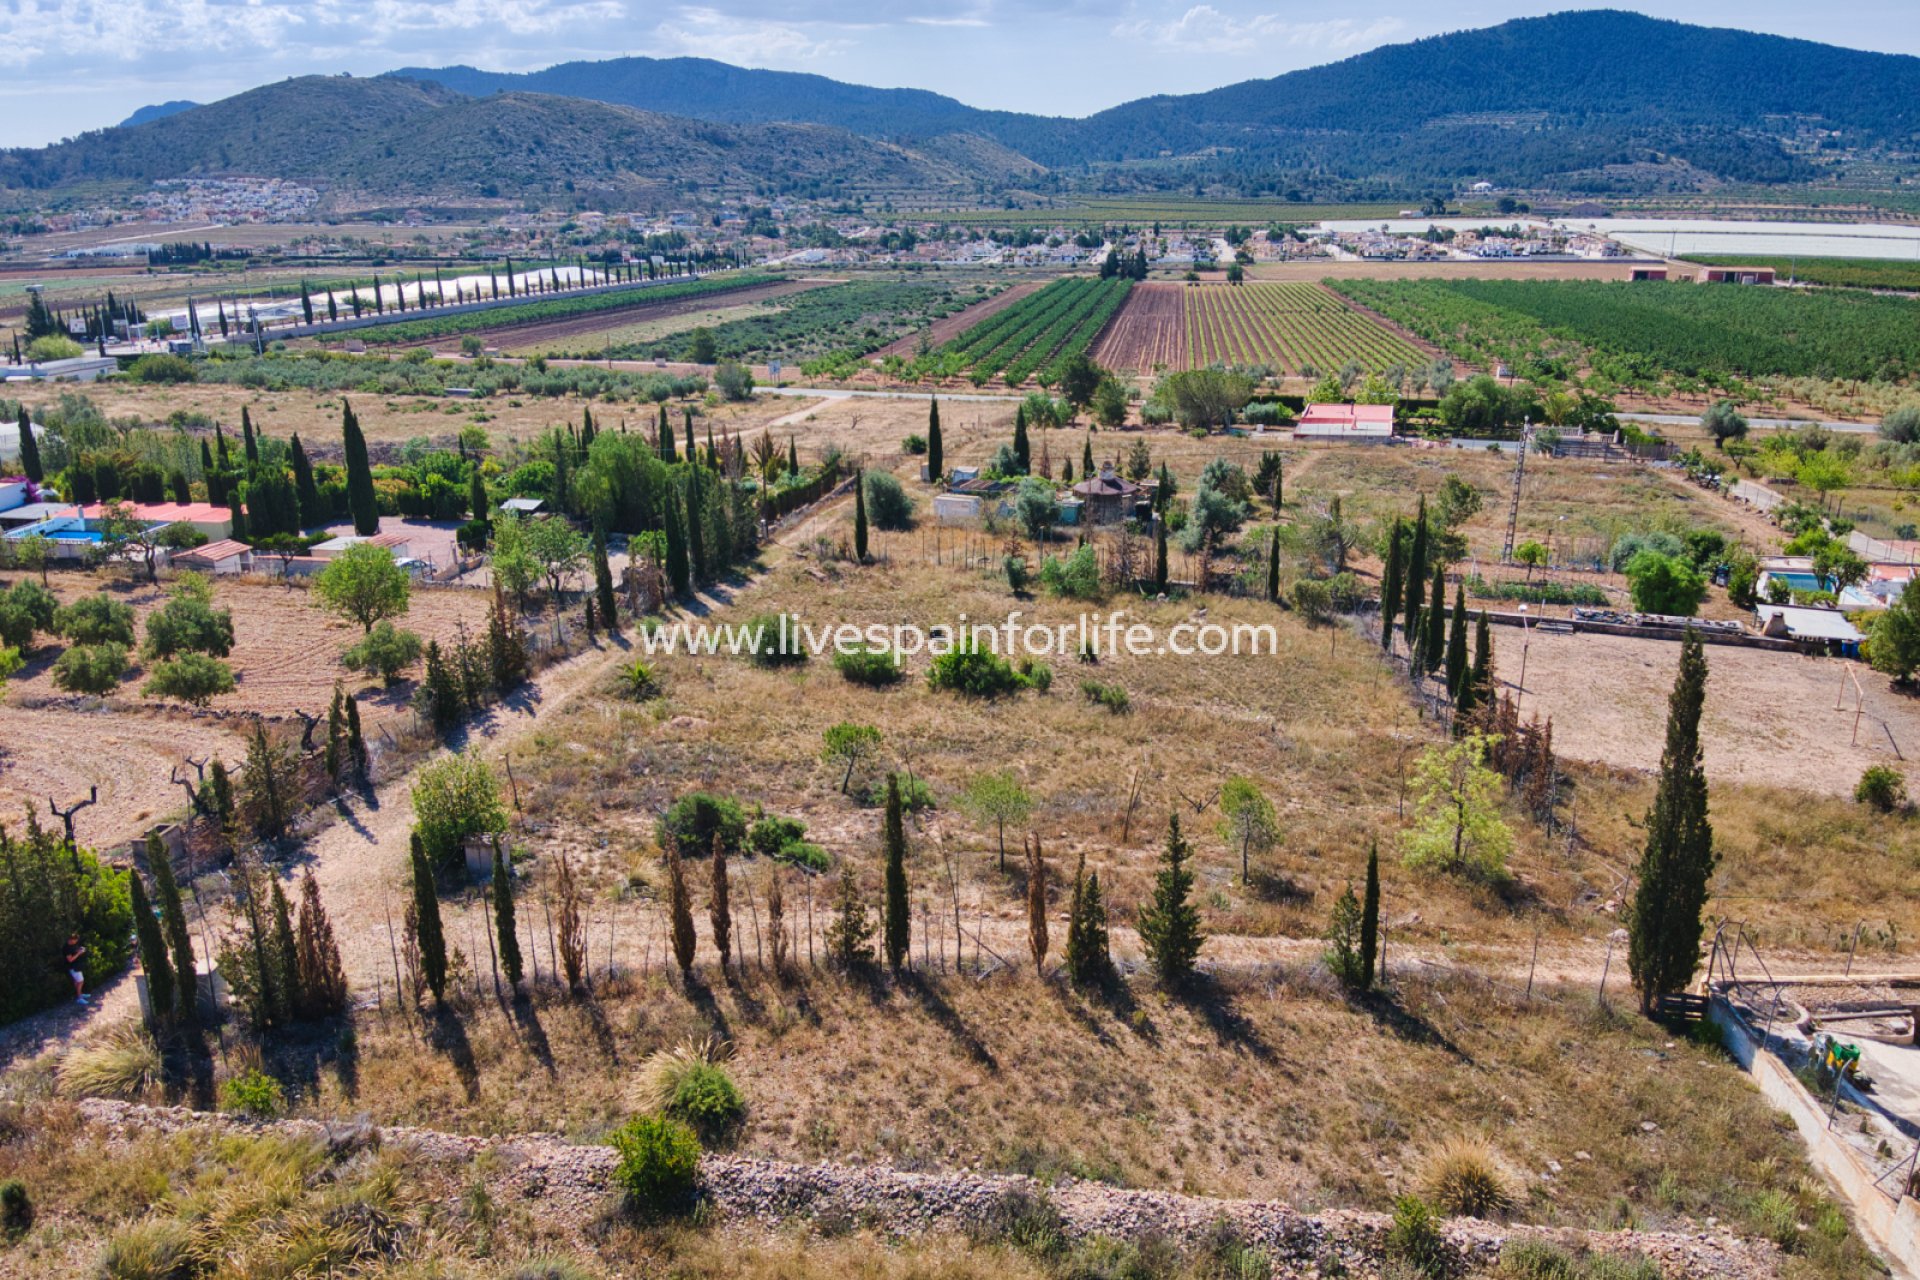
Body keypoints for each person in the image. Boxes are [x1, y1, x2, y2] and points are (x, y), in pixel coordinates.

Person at [65, 934, 88, 1005]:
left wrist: (80, 949)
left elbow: (74, 952)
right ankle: (79, 998)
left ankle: (80, 994)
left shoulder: (72, 945)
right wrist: (79, 953)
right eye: (75, 940)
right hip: (73, 967)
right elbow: (70, 959)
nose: (76, 942)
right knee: (80, 981)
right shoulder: (66, 948)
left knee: (77, 982)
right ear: (71, 939)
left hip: (77, 966)